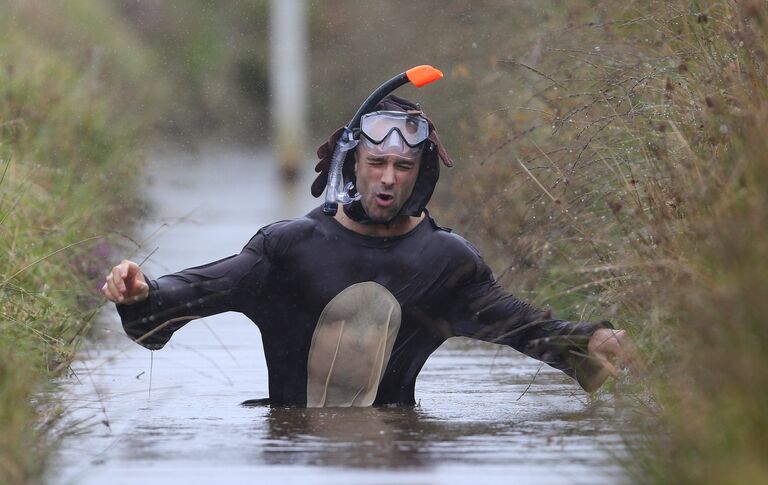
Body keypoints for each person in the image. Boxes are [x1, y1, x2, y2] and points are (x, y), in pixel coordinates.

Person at [101, 95, 635, 408]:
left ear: (421, 175)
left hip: (400, 450)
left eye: (402, 168)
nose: (387, 180)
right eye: (376, 163)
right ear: (350, 165)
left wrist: (595, 341)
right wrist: (141, 291)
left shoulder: (445, 262)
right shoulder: (288, 249)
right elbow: (185, 297)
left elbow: (527, 329)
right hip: (293, 451)